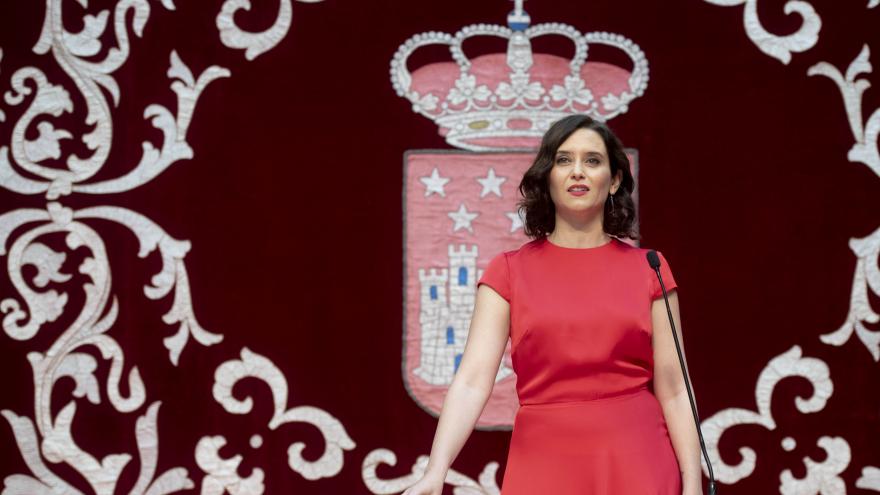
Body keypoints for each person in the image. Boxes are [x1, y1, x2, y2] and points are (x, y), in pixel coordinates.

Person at [402, 115, 703, 495]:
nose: (577, 171)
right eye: (563, 160)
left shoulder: (650, 268)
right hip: (543, 460)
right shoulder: (508, 271)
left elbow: (675, 388)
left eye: (592, 161)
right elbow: (473, 380)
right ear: (547, 177)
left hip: (639, 457)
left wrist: (692, 484)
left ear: (613, 181)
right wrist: (435, 470)